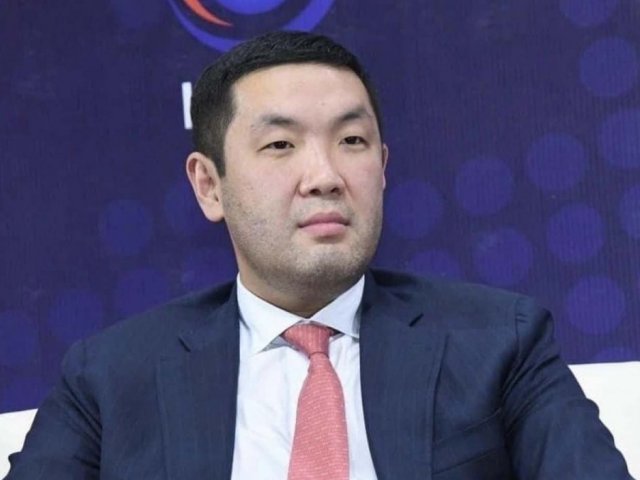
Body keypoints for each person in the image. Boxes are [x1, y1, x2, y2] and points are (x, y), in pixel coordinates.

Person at [5, 31, 633, 480]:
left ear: (382, 169)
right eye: (280, 145)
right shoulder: (109, 377)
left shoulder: (502, 341)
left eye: (352, 140)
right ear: (209, 185)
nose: (326, 176)